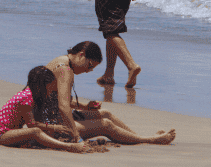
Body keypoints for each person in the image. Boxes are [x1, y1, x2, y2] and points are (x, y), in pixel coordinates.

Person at [46, 41, 175, 145]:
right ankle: (149, 140)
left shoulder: (62, 61)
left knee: (105, 113)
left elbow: (58, 100)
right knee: (105, 125)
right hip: (50, 124)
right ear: (81, 54)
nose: (88, 70)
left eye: (92, 68)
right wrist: (76, 137)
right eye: (90, 65)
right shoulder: (65, 70)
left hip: (51, 115)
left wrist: (86, 107)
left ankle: (138, 137)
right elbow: (63, 106)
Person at [0, 66, 86, 152]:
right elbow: (32, 125)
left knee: (41, 135)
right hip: (3, 135)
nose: (51, 91)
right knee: (36, 131)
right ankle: (68, 147)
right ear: (42, 86)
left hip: (12, 133)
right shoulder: (27, 98)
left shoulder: (31, 95)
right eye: (50, 87)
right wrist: (55, 127)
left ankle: (61, 143)